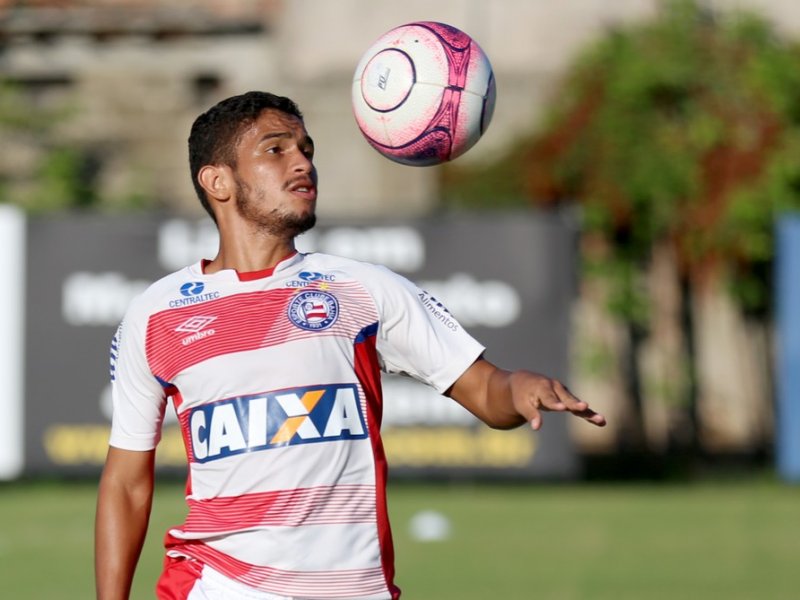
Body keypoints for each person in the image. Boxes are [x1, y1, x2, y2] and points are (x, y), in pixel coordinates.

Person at [95, 90, 606, 600]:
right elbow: (125, 483)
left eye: (306, 149)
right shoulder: (157, 313)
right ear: (218, 181)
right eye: (276, 150)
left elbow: (485, 389)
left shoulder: (363, 288)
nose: (302, 163)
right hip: (214, 586)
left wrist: (519, 390)